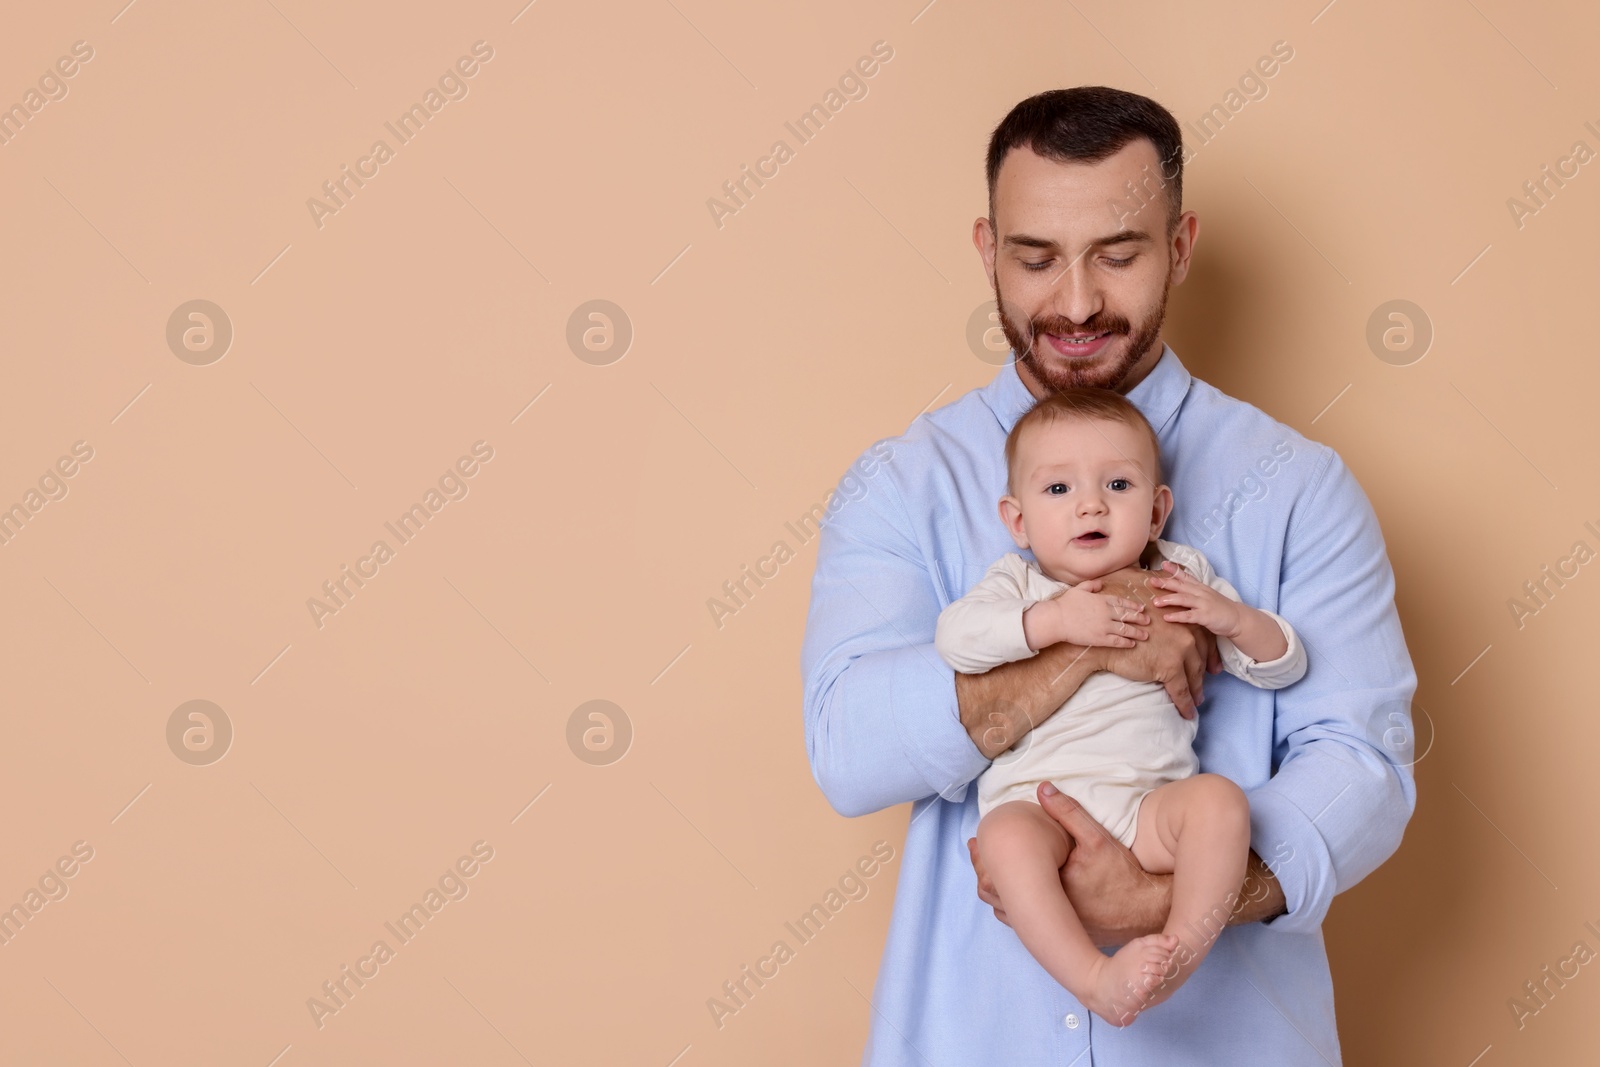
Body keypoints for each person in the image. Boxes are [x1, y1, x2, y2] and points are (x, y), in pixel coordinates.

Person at [799, 85, 1417, 1065]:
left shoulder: (1297, 486)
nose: (1077, 302)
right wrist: (1086, 646)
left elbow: (1363, 759)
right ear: (984, 247)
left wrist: (1183, 901)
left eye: (1118, 254)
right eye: (1035, 256)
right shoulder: (901, 483)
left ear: (1178, 246)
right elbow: (848, 746)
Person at [937, 387, 1307, 1026]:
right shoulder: (1019, 585)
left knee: (1220, 804)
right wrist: (1053, 621)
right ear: (1018, 520)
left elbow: (1282, 666)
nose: (1090, 504)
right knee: (1003, 839)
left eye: (1118, 483)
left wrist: (1233, 618)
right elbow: (957, 639)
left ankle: (1184, 950)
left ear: (1158, 511)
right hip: (1040, 804)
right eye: (1058, 490)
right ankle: (1094, 978)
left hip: (1148, 809)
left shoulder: (1178, 576)